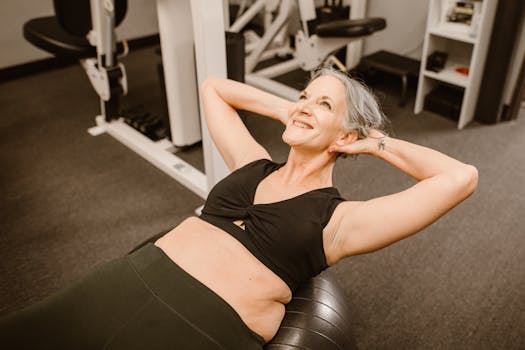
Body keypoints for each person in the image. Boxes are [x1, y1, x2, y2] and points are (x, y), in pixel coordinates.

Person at [0, 67, 478, 349]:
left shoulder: (340, 222)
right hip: (126, 280)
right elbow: (213, 87)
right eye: (303, 96)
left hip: (198, 323)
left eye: (324, 105)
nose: (305, 105)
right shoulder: (253, 164)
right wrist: (295, 109)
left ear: (348, 136)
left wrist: (373, 142)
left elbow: (460, 178)